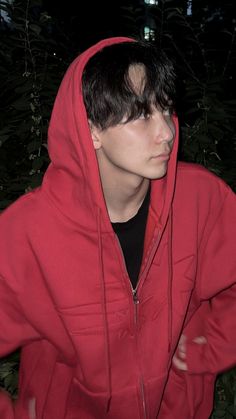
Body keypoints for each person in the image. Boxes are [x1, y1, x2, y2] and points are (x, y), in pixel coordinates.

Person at [0, 36, 235, 419]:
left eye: (166, 109)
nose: (167, 133)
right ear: (91, 128)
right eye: (143, 115)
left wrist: (207, 347)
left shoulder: (200, 200)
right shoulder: (30, 231)